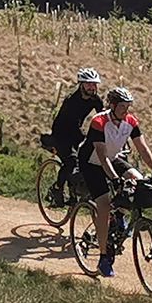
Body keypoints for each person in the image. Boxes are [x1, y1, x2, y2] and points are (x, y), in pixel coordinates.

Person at [81, 87, 152, 277]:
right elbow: (101, 156)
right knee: (103, 204)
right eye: (122, 107)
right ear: (113, 105)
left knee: (139, 182)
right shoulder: (99, 122)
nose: (126, 111)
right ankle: (103, 258)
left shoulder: (130, 122)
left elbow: (142, 148)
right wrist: (115, 180)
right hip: (92, 162)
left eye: (128, 107)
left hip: (113, 157)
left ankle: (120, 215)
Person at [44, 68, 105, 207]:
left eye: (94, 84)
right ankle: (57, 188)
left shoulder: (95, 100)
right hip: (61, 133)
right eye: (88, 84)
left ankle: (74, 193)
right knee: (71, 161)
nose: (92, 87)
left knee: (86, 158)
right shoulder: (71, 99)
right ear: (81, 84)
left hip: (75, 130)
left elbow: (103, 118)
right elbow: (67, 123)